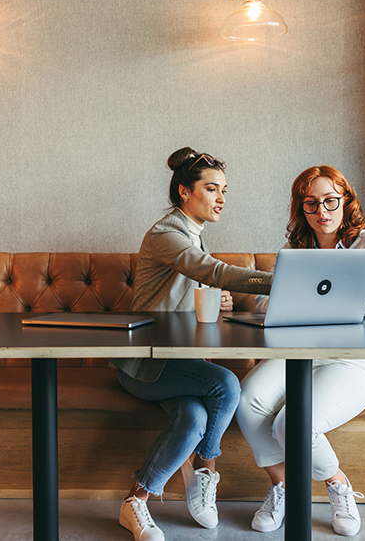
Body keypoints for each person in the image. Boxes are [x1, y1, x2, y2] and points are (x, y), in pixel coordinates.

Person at [112, 147, 273, 541]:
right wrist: (280, 278)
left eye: (224, 190)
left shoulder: (191, 237)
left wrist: (216, 296)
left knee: (195, 418)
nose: (221, 199)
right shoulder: (167, 234)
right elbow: (210, 271)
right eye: (212, 188)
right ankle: (207, 470)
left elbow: (194, 281)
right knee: (226, 384)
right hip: (144, 362)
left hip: (175, 360)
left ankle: (134, 502)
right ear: (185, 192)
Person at [236, 165, 365, 536]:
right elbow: (270, 304)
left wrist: (320, 308)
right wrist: (278, 303)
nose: (322, 211)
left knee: (290, 424)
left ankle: (338, 484)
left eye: (330, 201)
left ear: (346, 201)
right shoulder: (296, 251)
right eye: (311, 204)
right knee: (247, 400)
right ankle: (282, 486)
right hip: (296, 356)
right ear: (301, 209)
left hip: (352, 360)